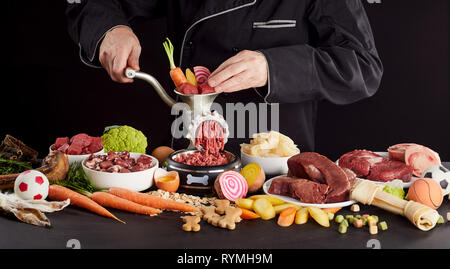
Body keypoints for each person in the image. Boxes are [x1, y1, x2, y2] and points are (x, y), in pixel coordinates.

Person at [67, 0, 383, 154]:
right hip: (188, 154)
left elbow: (363, 66)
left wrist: (272, 67)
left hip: (276, 167)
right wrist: (111, 30)